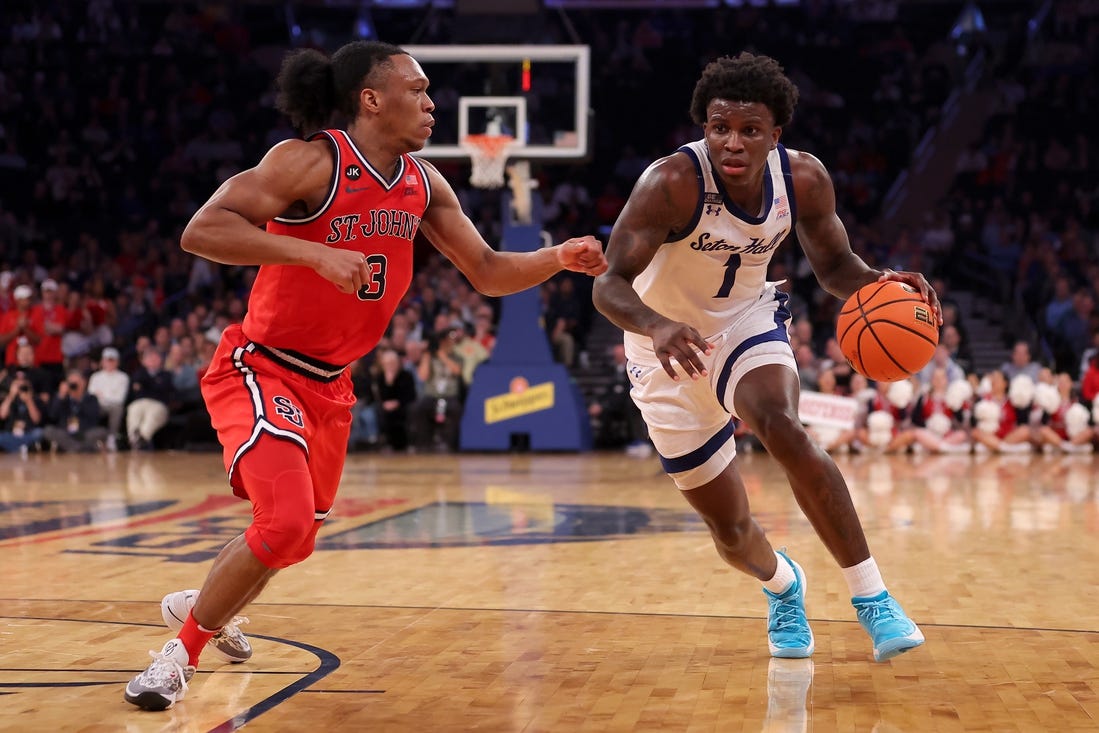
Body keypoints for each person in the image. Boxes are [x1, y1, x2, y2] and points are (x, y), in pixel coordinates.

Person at [124, 40, 606, 711]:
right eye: (418, 89)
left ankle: (203, 602)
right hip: (262, 366)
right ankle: (178, 656)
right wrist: (310, 252)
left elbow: (489, 271)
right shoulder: (308, 161)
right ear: (371, 98)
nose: (433, 103)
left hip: (332, 385)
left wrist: (558, 255)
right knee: (287, 523)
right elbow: (202, 230)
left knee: (288, 535)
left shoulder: (423, 182)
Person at [592, 52, 935, 664]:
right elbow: (608, 283)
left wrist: (880, 284)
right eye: (719, 127)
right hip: (661, 347)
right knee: (730, 532)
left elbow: (834, 267)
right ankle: (783, 585)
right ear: (704, 127)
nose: (733, 141)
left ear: (776, 135)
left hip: (745, 323)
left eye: (750, 130)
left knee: (782, 426)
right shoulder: (670, 183)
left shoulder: (803, 179)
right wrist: (655, 324)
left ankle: (874, 599)